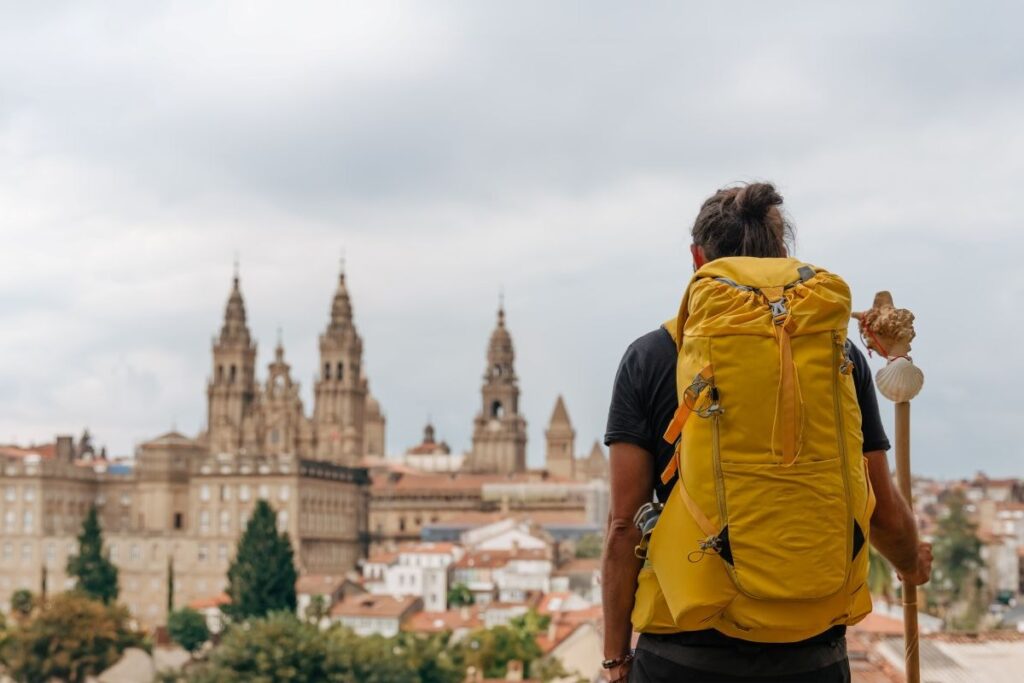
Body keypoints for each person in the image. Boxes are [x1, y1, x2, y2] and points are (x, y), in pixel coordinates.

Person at [600, 182, 932, 682]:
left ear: (698, 259)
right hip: (812, 654)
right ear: (783, 254)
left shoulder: (652, 356)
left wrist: (615, 657)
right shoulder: (838, 354)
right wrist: (911, 560)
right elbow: (880, 506)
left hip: (684, 653)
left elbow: (624, 527)